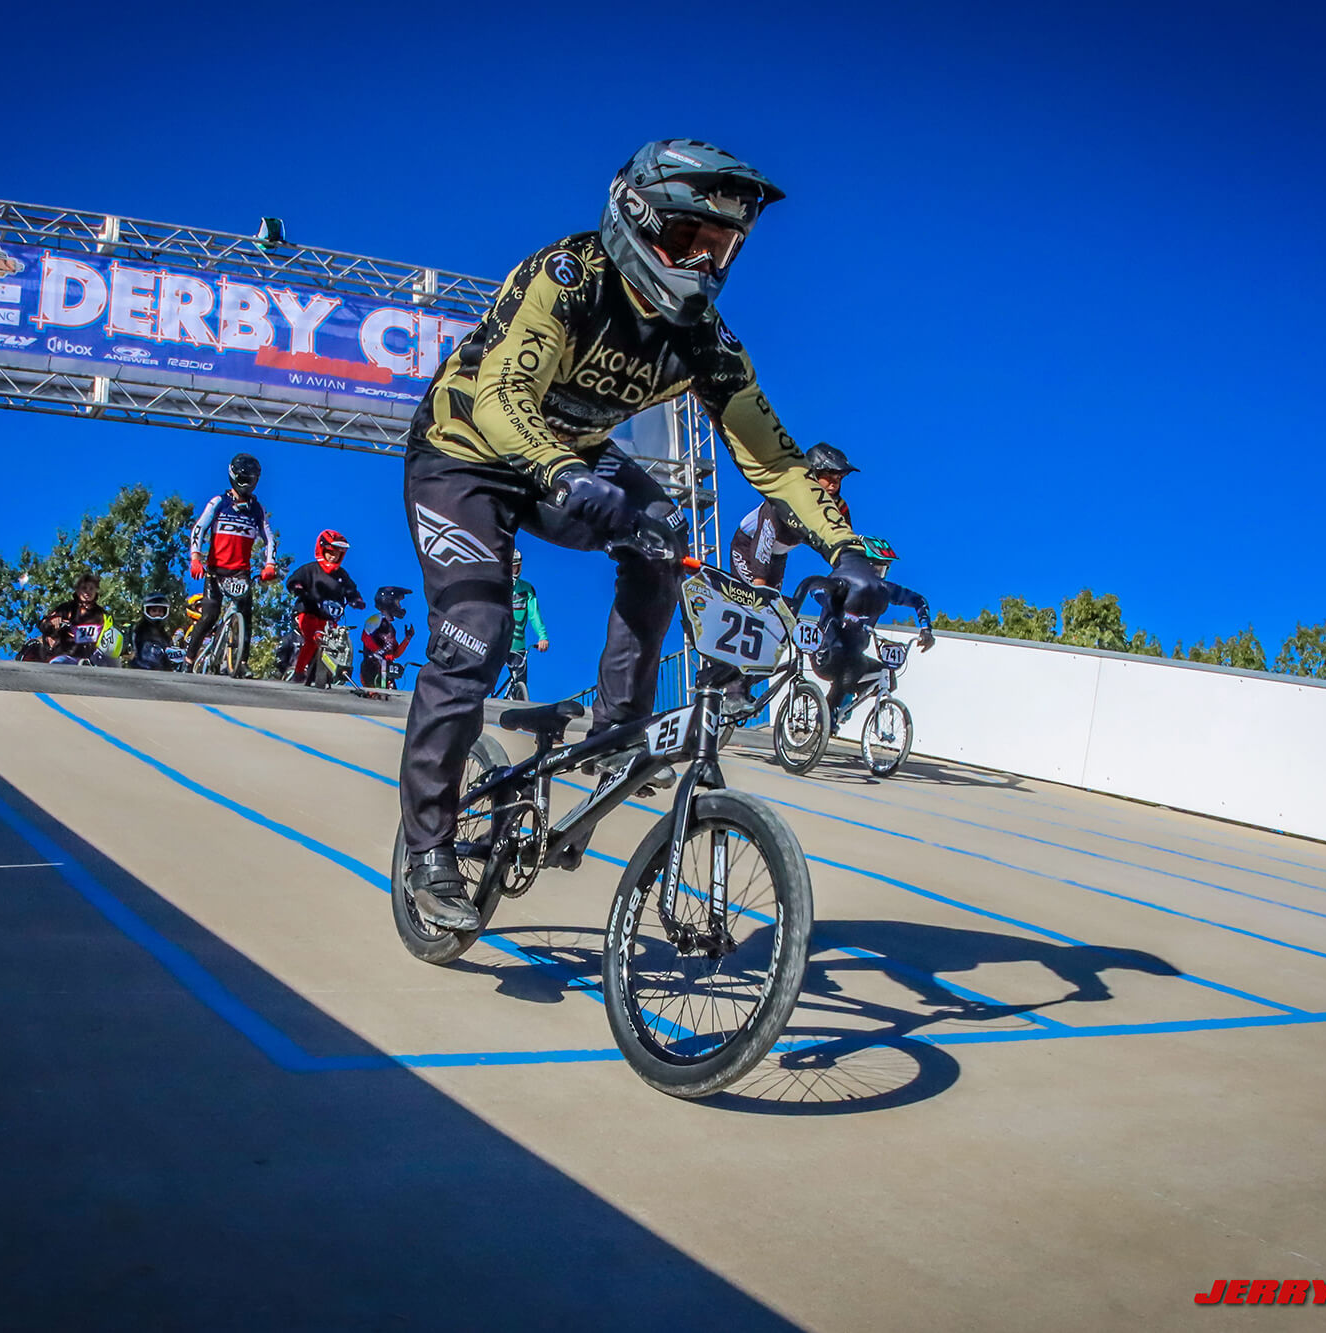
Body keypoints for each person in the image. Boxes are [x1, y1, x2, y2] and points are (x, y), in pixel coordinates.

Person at [395, 138, 885, 930]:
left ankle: (619, 728)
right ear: (639, 219)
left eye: (724, 248)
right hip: (464, 460)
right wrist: (566, 474)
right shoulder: (569, 277)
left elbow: (775, 457)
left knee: (665, 535)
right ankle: (428, 850)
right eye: (694, 240)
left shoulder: (705, 342)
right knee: (473, 638)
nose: (708, 264)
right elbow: (499, 398)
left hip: (571, 464)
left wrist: (847, 550)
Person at [790, 537, 934, 724]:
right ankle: (826, 715)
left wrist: (926, 629)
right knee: (854, 664)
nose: (879, 576)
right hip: (826, 653)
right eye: (875, 569)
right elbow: (815, 589)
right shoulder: (843, 582)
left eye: (883, 570)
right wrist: (838, 606)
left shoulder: (884, 590)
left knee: (887, 676)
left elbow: (919, 600)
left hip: (853, 656)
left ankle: (843, 700)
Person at [185, 453, 279, 668]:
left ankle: (242, 662)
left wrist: (270, 564)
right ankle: (189, 659)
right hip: (216, 571)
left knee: (246, 616)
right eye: (245, 479)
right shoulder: (219, 502)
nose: (248, 485)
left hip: (241, 572)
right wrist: (195, 558)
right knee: (210, 615)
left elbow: (269, 538)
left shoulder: (257, 509)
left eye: (252, 480)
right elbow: (199, 529)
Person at [729, 442, 858, 587]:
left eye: (839, 479)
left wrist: (851, 576)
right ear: (814, 473)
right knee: (755, 596)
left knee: (774, 604)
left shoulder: (838, 508)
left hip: (778, 555)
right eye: (829, 476)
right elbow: (764, 538)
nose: (834, 484)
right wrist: (759, 581)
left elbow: (845, 542)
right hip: (748, 546)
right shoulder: (785, 497)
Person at [285, 529, 365, 681]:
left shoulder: (342, 575)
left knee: (335, 639)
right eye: (330, 552)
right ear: (321, 550)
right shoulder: (310, 569)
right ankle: (299, 671)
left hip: (329, 618)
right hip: (307, 612)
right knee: (313, 638)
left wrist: (357, 600)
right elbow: (293, 580)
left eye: (338, 554)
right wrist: (298, 588)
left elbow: (351, 590)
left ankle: (329, 672)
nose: (333, 556)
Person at [495, 551, 550, 700]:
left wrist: (542, 637)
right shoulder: (498, 587)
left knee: (521, 683)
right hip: (497, 642)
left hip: (517, 646)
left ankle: (519, 708)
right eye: (512, 567)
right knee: (486, 676)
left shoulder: (527, 590)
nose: (515, 571)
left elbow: (534, 616)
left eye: (518, 567)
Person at [41, 572, 122, 663]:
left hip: (93, 660)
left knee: (115, 662)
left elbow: (113, 635)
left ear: (96, 591)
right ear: (77, 590)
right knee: (57, 663)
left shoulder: (102, 614)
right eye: (84, 588)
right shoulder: (66, 608)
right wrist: (51, 623)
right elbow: (44, 624)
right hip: (67, 656)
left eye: (91, 588)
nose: (87, 592)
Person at [359, 585, 417, 688]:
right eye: (398, 602)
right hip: (372, 666)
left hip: (386, 669)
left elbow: (395, 654)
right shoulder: (375, 619)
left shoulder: (391, 629)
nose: (399, 606)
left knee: (391, 696)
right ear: (389, 602)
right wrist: (380, 652)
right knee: (373, 694)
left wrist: (407, 639)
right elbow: (365, 637)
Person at [125, 590, 181, 671]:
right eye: (154, 611)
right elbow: (131, 654)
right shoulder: (137, 631)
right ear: (146, 611)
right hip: (141, 672)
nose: (157, 613)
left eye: (160, 611)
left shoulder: (165, 636)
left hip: (161, 675)